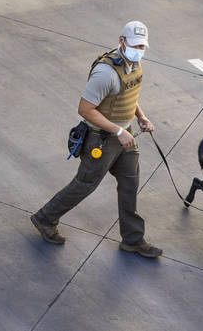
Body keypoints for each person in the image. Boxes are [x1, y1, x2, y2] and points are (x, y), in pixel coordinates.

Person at [30, 20, 163, 258]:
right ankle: (45, 218)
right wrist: (118, 131)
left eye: (143, 46)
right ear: (122, 41)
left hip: (125, 134)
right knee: (85, 184)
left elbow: (127, 95)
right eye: (135, 45)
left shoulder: (134, 65)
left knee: (130, 183)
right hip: (100, 139)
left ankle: (133, 239)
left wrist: (141, 117)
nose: (139, 50)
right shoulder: (105, 73)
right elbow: (85, 109)